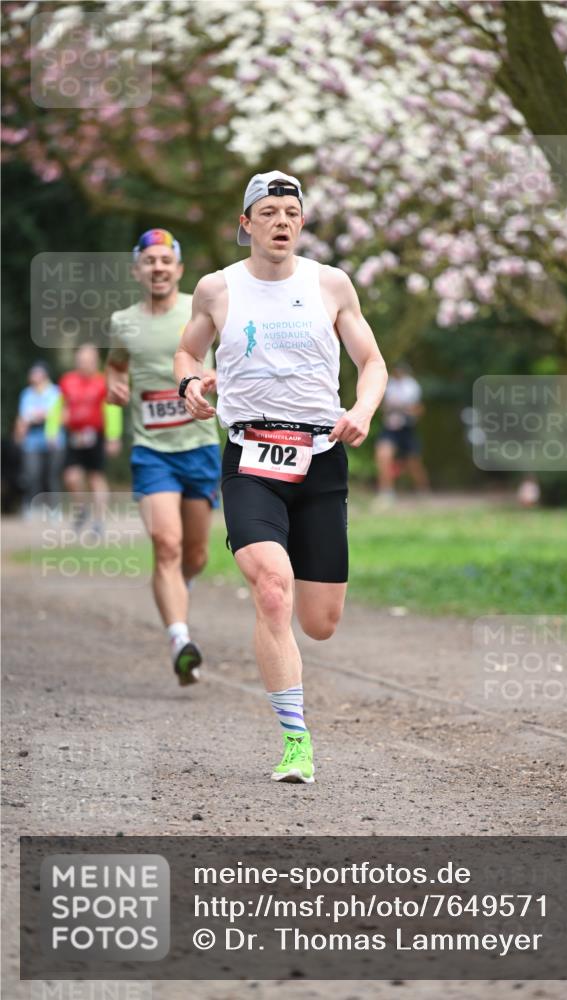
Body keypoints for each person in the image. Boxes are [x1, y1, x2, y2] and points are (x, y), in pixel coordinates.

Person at [174, 170, 387, 783]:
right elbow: (187, 353)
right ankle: (297, 743)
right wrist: (190, 382)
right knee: (272, 588)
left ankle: (288, 640)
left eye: (291, 212)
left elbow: (372, 362)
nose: (282, 221)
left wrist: (362, 412)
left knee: (319, 622)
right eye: (268, 212)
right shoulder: (217, 290)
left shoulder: (331, 284)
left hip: (321, 458)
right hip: (250, 459)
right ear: (245, 224)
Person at [106, 229, 222, 685]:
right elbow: (116, 365)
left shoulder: (203, 307)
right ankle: (180, 640)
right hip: (152, 450)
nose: (157, 267)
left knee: (194, 554)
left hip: (199, 447)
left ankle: (181, 590)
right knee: (167, 545)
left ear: (178, 268)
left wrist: (214, 373)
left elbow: (234, 356)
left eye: (165, 260)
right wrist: (114, 385)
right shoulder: (123, 321)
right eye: (149, 260)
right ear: (138, 270)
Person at [56, 343, 122, 531]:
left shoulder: (103, 381)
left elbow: (112, 410)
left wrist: (113, 437)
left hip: (96, 436)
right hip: (74, 436)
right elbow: (59, 406)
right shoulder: (67, 380)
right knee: (71, 477)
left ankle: (99, 521)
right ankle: (82, 509)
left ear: (96, 361)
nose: (84, 363)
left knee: (96, 477)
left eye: (88, 360)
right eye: (81, 360)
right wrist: (54, 427)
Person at [14, 361, 63, 517]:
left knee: (52, 475)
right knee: (31, 474)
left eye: (37, 373)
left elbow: (54, 415)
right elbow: (24, 417)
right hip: (31, 442)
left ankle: (54, 508)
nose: (34, 376)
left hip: (53, 440)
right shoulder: (27, 394)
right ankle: (30, 505)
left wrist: (37, 416)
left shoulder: (55, 392)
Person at [375, 361, 429, 503]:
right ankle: (386, 492)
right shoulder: (389, 385)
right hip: (390, 428)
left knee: (414, 463)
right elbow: (383, 406)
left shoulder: (412, 386)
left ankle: (422, 491)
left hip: (407, 428)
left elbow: (417, 409)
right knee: (383, 455)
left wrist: (403, 409)